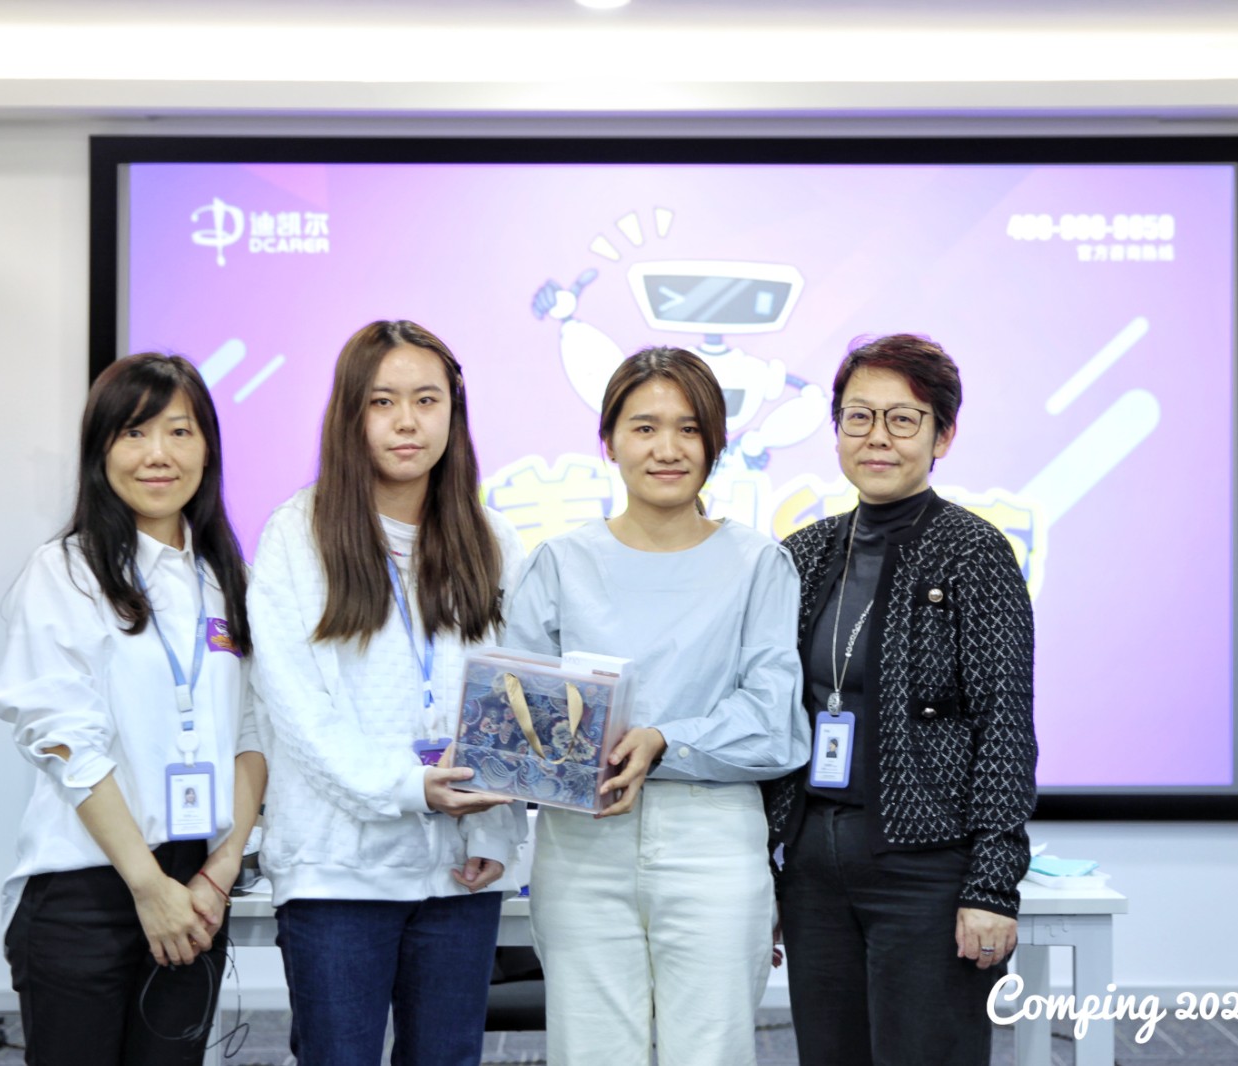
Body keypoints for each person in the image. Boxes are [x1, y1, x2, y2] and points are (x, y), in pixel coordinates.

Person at [506, 346, 810, 1066]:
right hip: (583, 842)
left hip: (713, 840)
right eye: (644, 427)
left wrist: (663, 740)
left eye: (689, 429)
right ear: (608, 441)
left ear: (715, 444)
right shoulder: (559, 563)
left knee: (711, 1052)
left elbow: (775, 723)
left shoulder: (759, 564)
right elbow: (517, 709)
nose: (667, 449)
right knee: (590, 1053)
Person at [247, 320, 527, 1066]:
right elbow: (296, 711)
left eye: (426, 400)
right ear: (351, 414)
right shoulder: (297, 535)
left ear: (452, 413)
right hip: (337, 870)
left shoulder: (493, 539)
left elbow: (511, 697)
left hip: (458, 871)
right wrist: (408, 787)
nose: (407, 421)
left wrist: (492, 832)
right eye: (383, 401)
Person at [765, 333, 1038, 1066]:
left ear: (942, 436)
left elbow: (1005, 725)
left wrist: (991, 885)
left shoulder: (974, 552)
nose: (877, 437)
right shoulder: (803, 554)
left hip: (927, 870)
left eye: (903, 419)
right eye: (858, 417)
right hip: (814, 867)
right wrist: (769, 869)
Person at [0, 353, 266, 1066]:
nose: (158, 455)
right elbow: (63, 738)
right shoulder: (66, 572)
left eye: (179, 432)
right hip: (88, 886)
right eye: (134, 433)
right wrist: (147, 886)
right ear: (101, 450)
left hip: (198, 884)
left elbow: (251, 734)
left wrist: (220, 873)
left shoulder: (228, 579)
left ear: (207, 449)